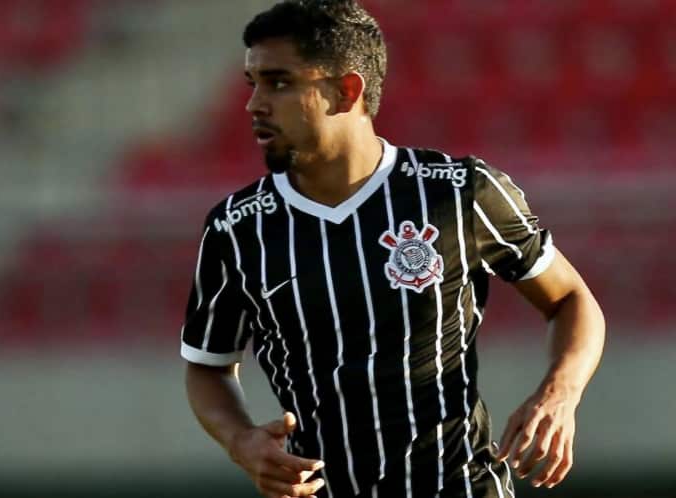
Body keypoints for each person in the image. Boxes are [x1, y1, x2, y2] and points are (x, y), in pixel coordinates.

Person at [180, 1, 605, 497]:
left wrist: (560, 393)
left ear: (347, 90)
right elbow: (207, 365)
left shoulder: (458, 193)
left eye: (278, 82)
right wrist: (241, 441)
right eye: (252, 83)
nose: (254, 104)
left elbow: (571, 299)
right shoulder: (237, 228)